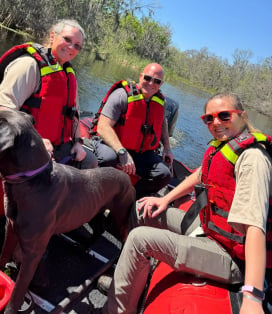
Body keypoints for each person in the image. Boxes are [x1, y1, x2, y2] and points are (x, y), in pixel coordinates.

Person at [103, 92, 272, 314]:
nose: (216, 123)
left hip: (231, 256)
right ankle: (128, 279)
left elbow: (255, 227)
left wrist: (252, 296)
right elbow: (202, 174)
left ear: (242, 115)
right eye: (209, 119)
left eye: (224, 115)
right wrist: (164, 199)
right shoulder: (226, 146)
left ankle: (116, 311)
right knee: (142, 209)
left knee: (139, 239)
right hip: (210, 230)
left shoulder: (253, 160)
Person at [0, 19, 98, 169]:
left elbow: (74, 114)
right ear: (52, 36)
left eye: (77, 46)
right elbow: (2, 110)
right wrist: (35, 140)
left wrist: (78, 143)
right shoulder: (29, 65)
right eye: (67, 39)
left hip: (55, 146)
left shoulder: (67, 75)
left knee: (90, 161)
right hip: (20, 142)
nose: (71, 47)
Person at [91, 63, 173, 199]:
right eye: (147, 78)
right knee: (107, 159)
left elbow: (162, 122)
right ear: (140, 76)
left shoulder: (159, 102)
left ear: (161, 84)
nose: (151, 83)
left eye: (157, 81)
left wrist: (167, 148)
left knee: (164, 174)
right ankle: (96, 198)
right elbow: (102, 127)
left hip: (141, 152)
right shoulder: (122, 95)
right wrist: (121, 151)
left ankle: (129, 199)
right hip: (112, 145)